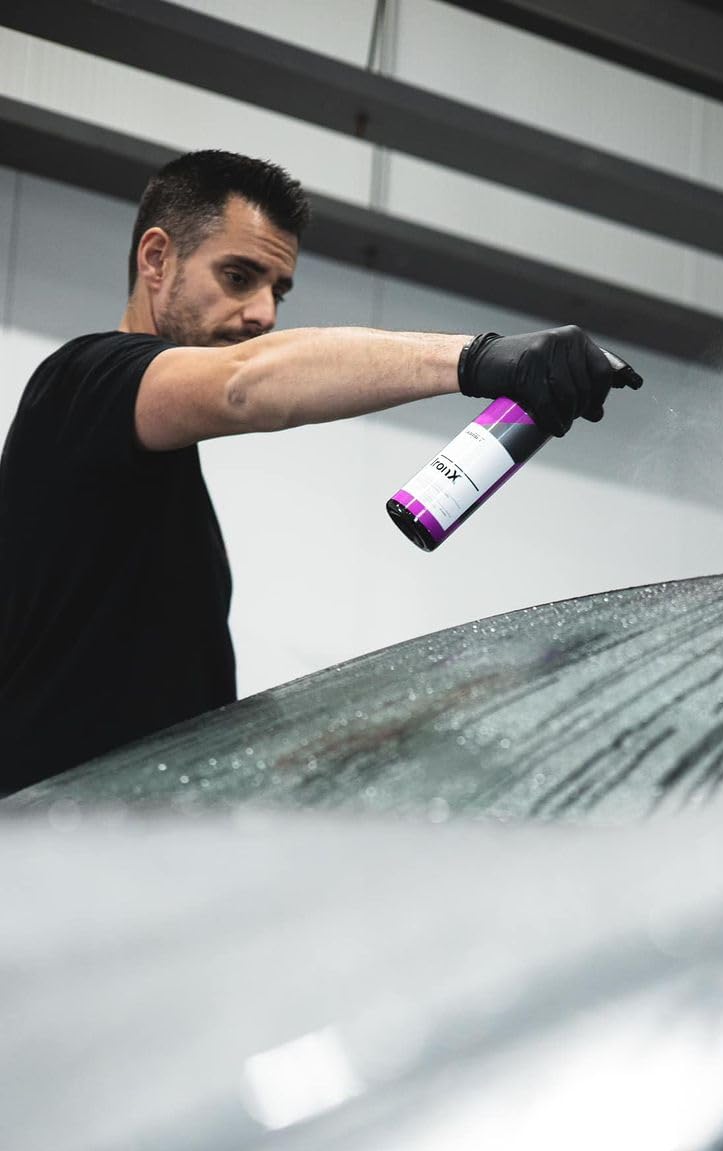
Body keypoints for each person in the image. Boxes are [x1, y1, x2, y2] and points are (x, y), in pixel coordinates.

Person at [0, 150, 639, 796]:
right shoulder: (81, 383)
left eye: (277, 291)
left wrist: (447, 702)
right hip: (44, 849)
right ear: (157, 258)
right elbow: (245, 384)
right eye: (239, 276)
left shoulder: (150, 493)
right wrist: (478, 359)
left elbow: (187, 744)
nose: (264, 314)